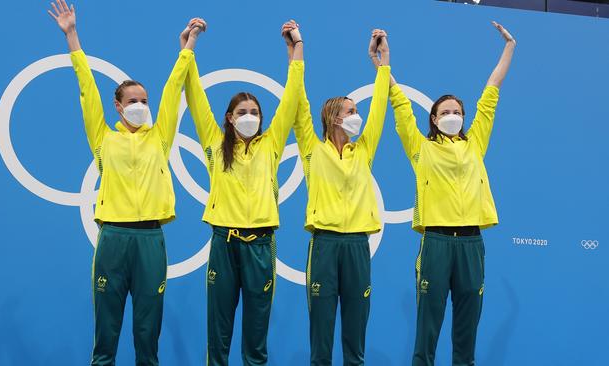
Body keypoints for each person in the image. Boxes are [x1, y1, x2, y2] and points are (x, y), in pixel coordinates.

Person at [48, 2, 201, 364]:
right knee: (107, 332)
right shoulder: (102, 137)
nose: (141, 105)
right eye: (132, 101)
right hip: (113, 240)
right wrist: (72, 36)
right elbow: (86, 88)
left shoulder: (160, 136)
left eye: (144, 101)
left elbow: (174, 87)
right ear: (117, 106)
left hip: (150, 240)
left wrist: (187, 48)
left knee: (148, 334)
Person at [379, 21, 516, 366]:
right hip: (436, 243)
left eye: (457, 112)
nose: (453, 116)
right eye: (446, 112)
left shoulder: (475, 143)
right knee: (428, 328)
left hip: (472, 243)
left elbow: (491, 91)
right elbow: (398, 105)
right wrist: (383, 65)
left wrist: (509, 47)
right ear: (434, 119)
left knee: (467, 330)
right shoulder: (421, 148)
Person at [180, 18, 304, 366]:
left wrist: (296, 49)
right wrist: (189, 46)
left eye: (255, 112)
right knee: (218, 333)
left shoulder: (271, 144)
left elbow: (292, 99)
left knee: (256, 334)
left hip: (261, 246)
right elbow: (194, 97)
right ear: (229, 118)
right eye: (242, 112)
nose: (249, 116)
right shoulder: (214, 143)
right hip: (224, 242)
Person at [290, 27, 391, 365]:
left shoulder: (364, 150)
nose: (357, 116)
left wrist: (382, 62)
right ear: (333, 118)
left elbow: (380, 107)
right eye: (350, 111)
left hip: (358, 247)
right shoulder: (312, 150)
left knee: (355, 338)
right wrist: (297, 50)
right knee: (321, 339)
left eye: (356, 110)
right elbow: (298, 103)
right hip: (324, 245)